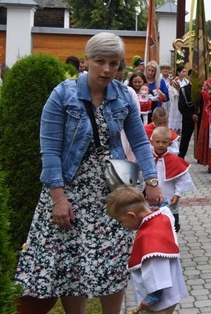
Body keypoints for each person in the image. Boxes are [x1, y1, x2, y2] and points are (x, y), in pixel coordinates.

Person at [14, 32, 162, 314]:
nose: (107, 70)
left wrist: (153, 181)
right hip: (70, 193)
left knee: (113, 260)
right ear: (86, 61)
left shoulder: (123, 96)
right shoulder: (62, 94)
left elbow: (141, 141)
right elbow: (50, 152)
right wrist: (58, 199)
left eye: (114, 63)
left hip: (113, 194)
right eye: (100, 61)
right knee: (73, 263)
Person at [106, 186, 187, 313]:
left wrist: (152, 298)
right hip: (170, 295)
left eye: (121, 221)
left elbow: (157, 272)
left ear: (131, 215)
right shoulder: (160, 217)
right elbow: (165, 209)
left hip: (159, 302)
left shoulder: (149, 239)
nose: (122, 225)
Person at [151, 126, 195, 233]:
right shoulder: (148, 159)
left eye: (164, 142)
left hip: (169, 198)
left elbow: (183, 180)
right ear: (152, 142)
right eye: (157, 141)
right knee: (152, 225)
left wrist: (178, 193)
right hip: (150, 200)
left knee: (172, 225)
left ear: (170, 143)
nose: (160, 145)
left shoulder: (174, 160)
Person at [177, 76, 197, 160]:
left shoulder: (205, 88)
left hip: (202, 118)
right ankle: (181, 156)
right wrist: (191, 115)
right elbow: (181, 106)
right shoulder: (184, 89)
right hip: (188, 118)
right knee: (185, 137)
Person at [168, 65, 189, 133]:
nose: (184, 73)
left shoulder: (186, 81)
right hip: (176, 102)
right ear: (178, 72)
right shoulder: (174, 82)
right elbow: (172, 92)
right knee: (176, 116)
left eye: (185, 72)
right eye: (183, 72)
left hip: (183, 103)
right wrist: (180, 93)